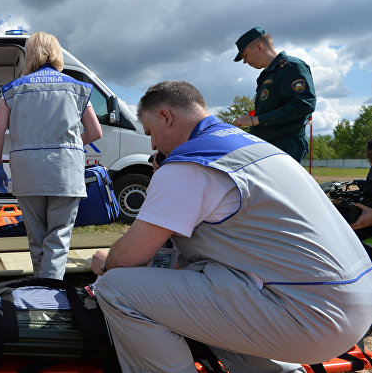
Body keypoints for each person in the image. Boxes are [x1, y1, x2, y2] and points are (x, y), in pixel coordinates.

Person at [91, 81, 372, 372]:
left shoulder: (189, 162)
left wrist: (107, 263)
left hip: (310, 317)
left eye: (150, 132)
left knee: (117, 288)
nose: (152, 145)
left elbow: (129, 257)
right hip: (353, 304)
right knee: (207, 291)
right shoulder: (256, 147)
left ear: (166, 116)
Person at [0, 31, 102, 280]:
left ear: (29, 56)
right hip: (65, 171)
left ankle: (40, 286)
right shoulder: (79, 88)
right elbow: (95, 132)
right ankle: (50, 292)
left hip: (27, 171)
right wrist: (71, 143)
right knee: (59, 235)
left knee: (36, 236)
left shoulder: (12, 90)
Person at [231, 26, 316, 163]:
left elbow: (304, 105)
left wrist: (257, 120)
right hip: (268, 145)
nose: (245, 61)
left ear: (259, 47)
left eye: (245, 55)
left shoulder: (291, 67)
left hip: (286, 145)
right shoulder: (267, 75)